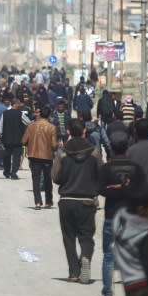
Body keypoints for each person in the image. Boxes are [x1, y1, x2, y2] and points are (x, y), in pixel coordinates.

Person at [96, 132, 144, 296]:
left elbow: (101, 189)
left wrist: (115, 188)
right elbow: (140, 191)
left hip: (111, 217)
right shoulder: (136, 169)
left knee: (108, 256)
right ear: (127, 147)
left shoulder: (107, 168)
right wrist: (126, 188)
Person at [52, 118, 102, 284]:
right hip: (87, 200)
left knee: (69, 237)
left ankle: (74, 273)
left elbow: (55, 177)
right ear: (84, 132)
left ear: (68, 132)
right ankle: (86, 256)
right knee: (86, 236)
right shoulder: (94, 152)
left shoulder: (63, 152)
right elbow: (100, 174)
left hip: (67, 200)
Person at [22, 104, 57, 209]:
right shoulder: (52, 127)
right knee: (47, 179)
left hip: (33, 155)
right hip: (47, 156)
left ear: (40, 114)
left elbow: (23, 141)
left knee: (36, 179)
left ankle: (37, 202)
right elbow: (54, 145)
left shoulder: (31, 126)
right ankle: (49, 201)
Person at [0, 97, 29, 180]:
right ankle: (13, 173)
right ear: (15, 104)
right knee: (16, 157)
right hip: (17, 139)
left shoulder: (5, 113)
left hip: (6, 139)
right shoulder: (21, 114)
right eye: (18, 104)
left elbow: (1, 125)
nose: (19, 105)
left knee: (6, 157)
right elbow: (28, 123)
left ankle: (7, 172)